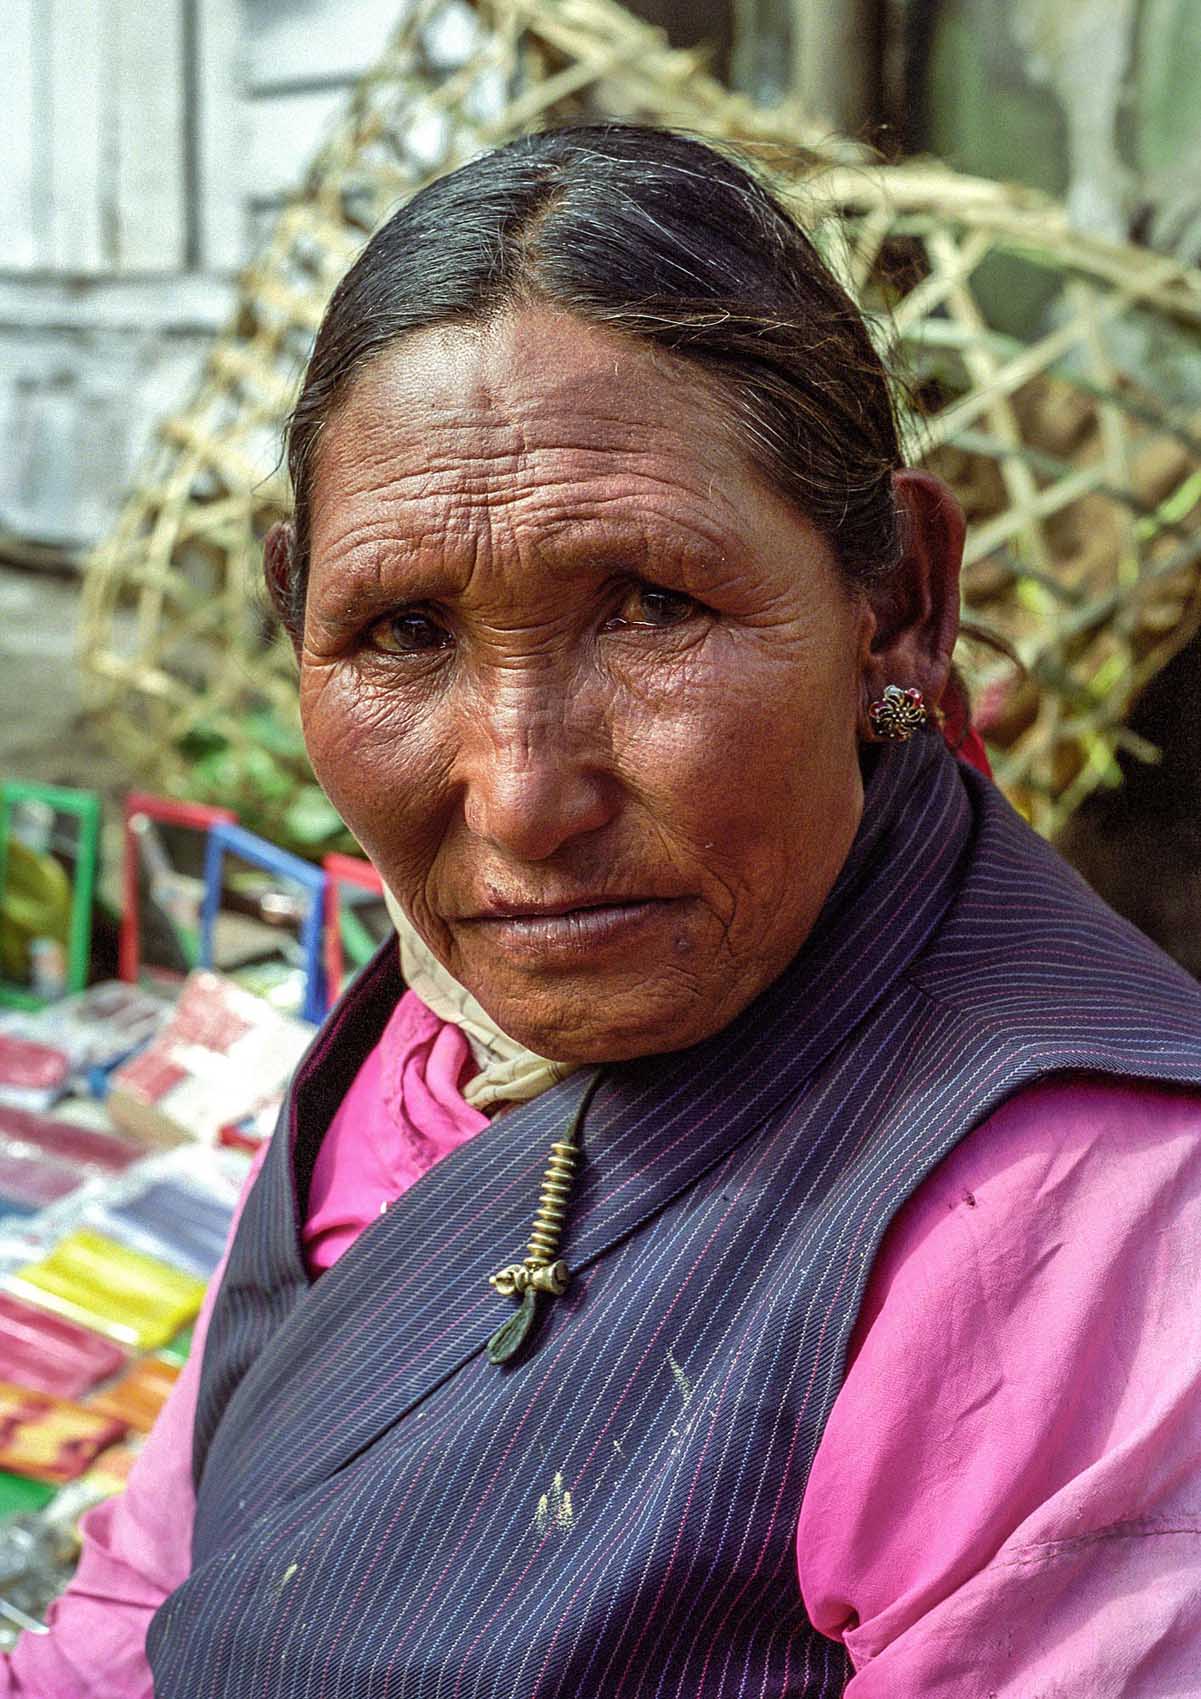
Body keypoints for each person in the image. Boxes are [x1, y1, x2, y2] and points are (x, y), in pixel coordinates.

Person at [9, 125, 1201, 1698]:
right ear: (296, 608)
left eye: (652, 607)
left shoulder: (1084, 1227)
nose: (515, 797)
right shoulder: (438, 1015)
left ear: (896, 604)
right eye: (403, 631)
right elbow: (151, 1591)